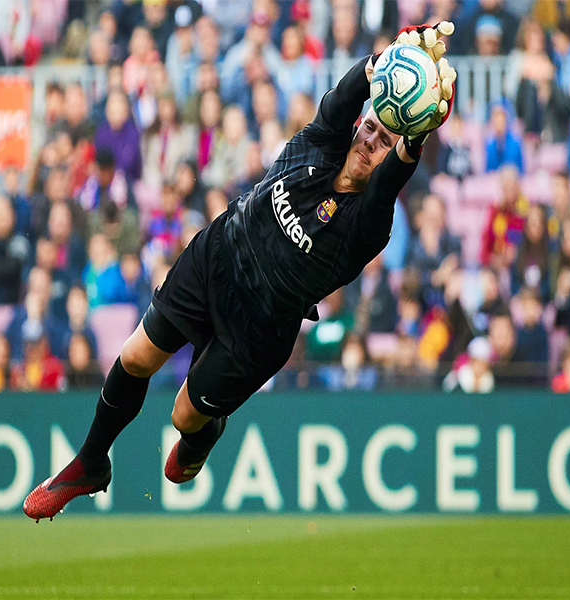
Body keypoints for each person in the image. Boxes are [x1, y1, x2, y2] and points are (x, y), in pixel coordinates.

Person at [23, 22, 458, 522]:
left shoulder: (369, 223)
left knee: (183, 418)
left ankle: (204, 432)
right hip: (219, 253)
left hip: (260, 328)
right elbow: (346, 94)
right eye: (370, 129)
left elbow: (395, 176)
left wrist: (418, 132)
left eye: (384, 142)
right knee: (137, 355)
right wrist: (391, 55)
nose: (369, 142)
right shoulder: (321, 139)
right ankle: (90, 463)